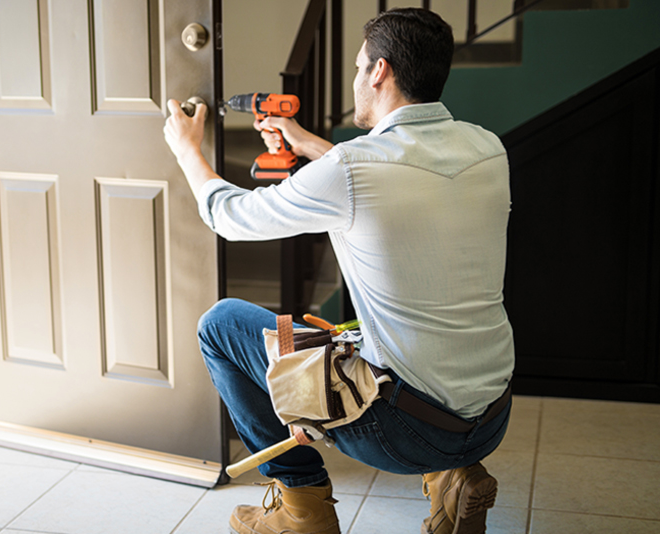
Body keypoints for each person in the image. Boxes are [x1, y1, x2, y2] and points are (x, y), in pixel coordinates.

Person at [164, 7, 514, 534]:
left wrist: (188, 150)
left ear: (380, 71)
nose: (355, 78)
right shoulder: (488, 148)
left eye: (357, 67)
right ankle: (452, 477)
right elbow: (393, 183)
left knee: (220, 323)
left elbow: (228, 217)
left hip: (402, 429)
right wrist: (307, 145)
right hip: (490, 416)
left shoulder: (352, 169)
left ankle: (300, 506)